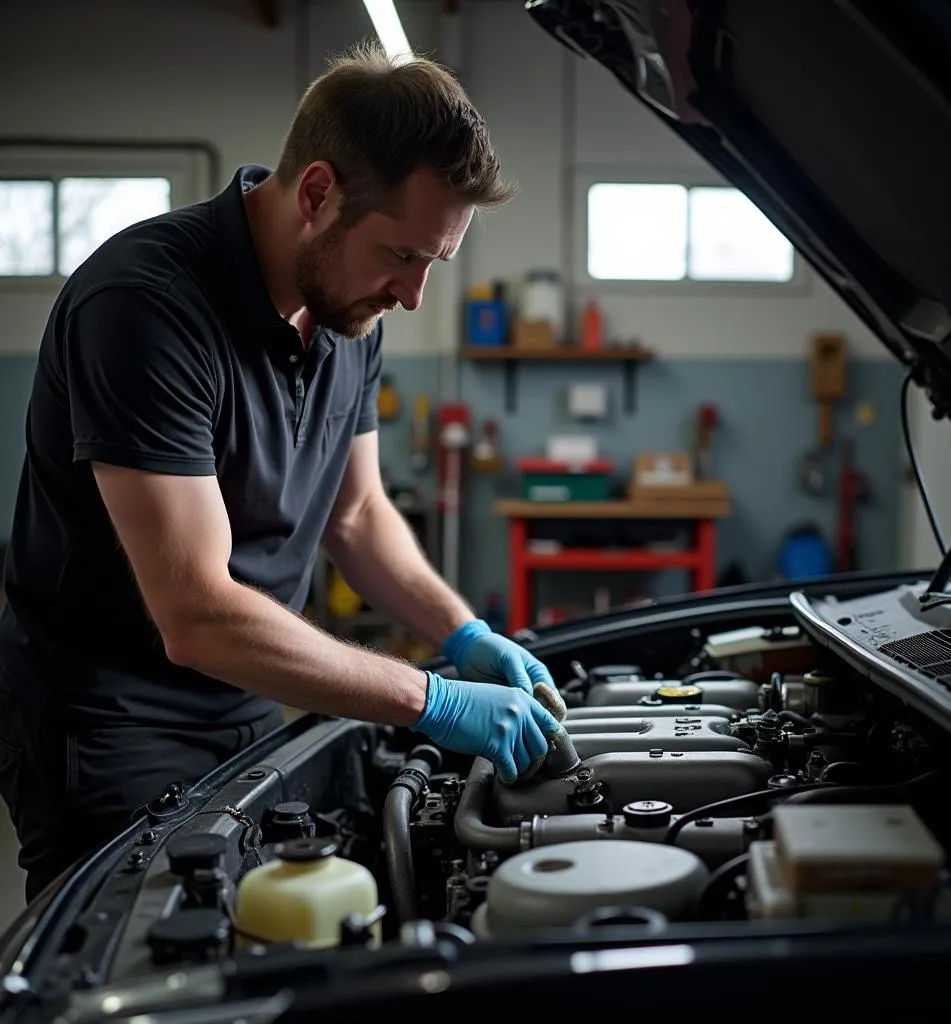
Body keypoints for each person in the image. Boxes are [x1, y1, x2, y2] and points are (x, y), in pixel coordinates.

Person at [0, 41, 564, 903]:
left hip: (250, 692)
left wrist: (466, 636)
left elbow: (357, 514)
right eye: (403, 256)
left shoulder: (347, 318)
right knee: (154, 954)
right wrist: (430, 700)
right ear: (317, 195)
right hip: (111, 716)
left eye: (432, 263)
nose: (412, 296)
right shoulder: (144, 306)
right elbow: (194, 613)